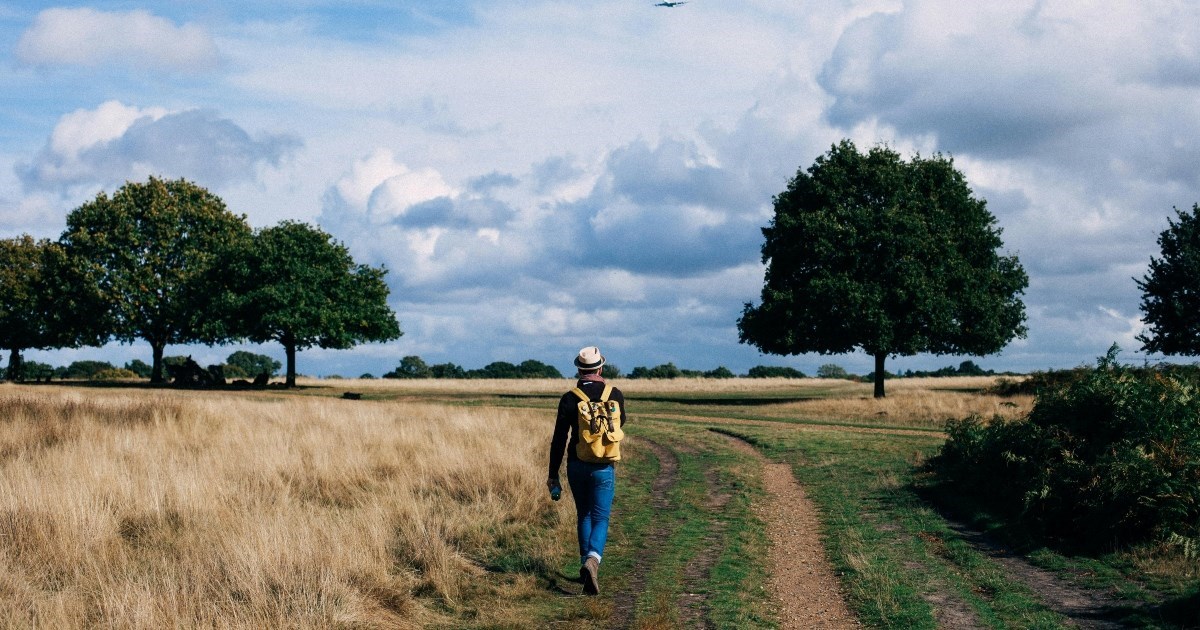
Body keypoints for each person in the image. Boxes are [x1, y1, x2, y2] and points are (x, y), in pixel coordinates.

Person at [547, 345, 627, 596]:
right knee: (601, 517)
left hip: (576, 464)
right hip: (604, 465)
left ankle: (586, 566)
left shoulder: (569, 398)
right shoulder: (615, 394)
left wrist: (552, 474)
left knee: (584, 515)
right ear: (600, 368)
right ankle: (593, 561)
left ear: (579, 370)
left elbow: (559, 439)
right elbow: (620, 423)